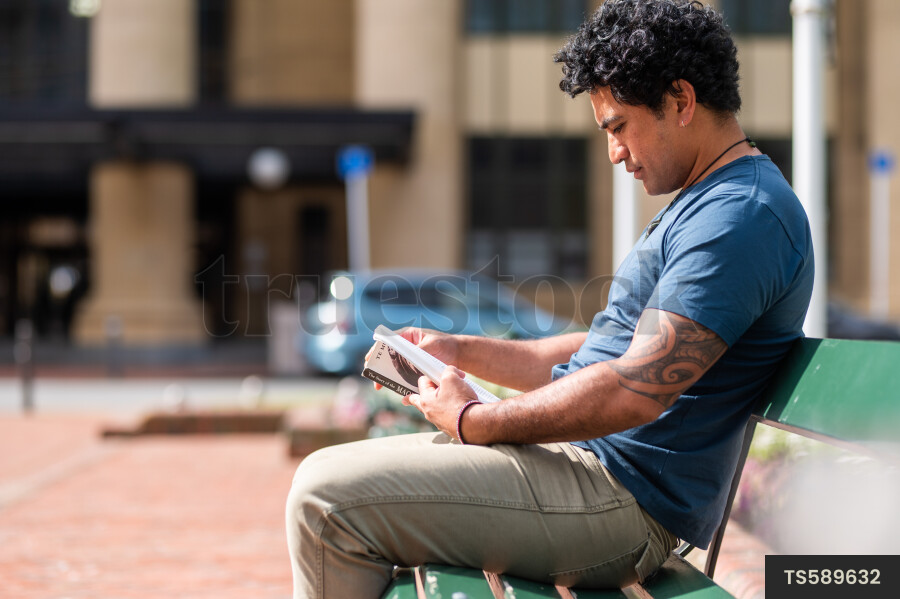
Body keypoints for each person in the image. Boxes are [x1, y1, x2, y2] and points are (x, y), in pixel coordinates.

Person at [285, 1, 814, 597]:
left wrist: (476, 421)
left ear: (681, 101)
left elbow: (635, 388)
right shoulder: (707, 204)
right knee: (332, 477)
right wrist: (457, 350)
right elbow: (602, 352)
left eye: (617, 126)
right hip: (591, 476)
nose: (614, 154)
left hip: (621, 502)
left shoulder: (740, 216)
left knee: (325, 499)